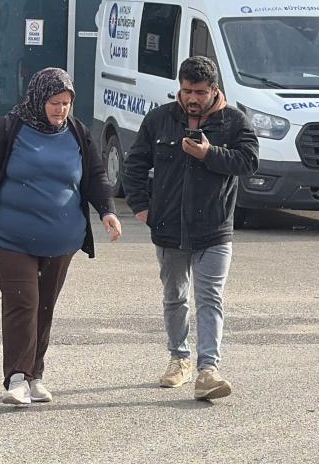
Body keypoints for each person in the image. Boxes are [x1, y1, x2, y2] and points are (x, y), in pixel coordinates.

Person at [0, 67, 122, 405]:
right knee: (23, 302)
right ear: (39, 99)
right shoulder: (8, 129)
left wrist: (108, 211)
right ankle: (17, 377)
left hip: (61, 240)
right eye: (54, 102)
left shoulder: (77, 132)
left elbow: (95, 175)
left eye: (66, 103)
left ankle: (35, 374)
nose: (60, 109)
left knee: (44, 306)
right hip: (10, 238)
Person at [123, 56, 259, 401]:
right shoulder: (160, 119)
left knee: (210, 298)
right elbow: (134, 163)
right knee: (175, 297)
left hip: (214, 229)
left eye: (199, 92)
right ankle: (179, 359)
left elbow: (249, 161)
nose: (192, 98)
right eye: (186, 91)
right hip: (168, 227)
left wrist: (210, 153)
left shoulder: (234, 121)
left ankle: (208, 370)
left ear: (214, 90)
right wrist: (141, 206)